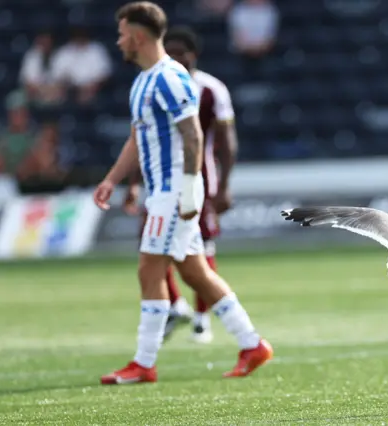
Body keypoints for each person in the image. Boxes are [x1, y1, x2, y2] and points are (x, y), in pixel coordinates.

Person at [93, 1, 272, 384]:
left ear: (138, 36)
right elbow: (137, 138)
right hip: (162, 190)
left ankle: (144, 362)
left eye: (123, 33)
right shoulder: (143, 80)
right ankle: (252, 344)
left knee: (149, 269)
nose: (119, 40)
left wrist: (191, 189)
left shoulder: (170, 78)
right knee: (195, 272)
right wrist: (113, 179)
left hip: (174, 190)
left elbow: (193, 133)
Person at [124, 25, 239, 345]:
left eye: (180, 52)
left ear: (194, 55)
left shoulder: (210, 89)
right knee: (153, 249)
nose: (174, 56)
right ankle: (176, 306)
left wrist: (224, 186)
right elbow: (141, 139)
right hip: (159, 183)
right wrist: (133, 183)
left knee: (198, 250)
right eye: (169, 50)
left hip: (197, 181)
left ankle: (203, 319)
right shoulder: (152, 84)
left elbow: (227, 142)